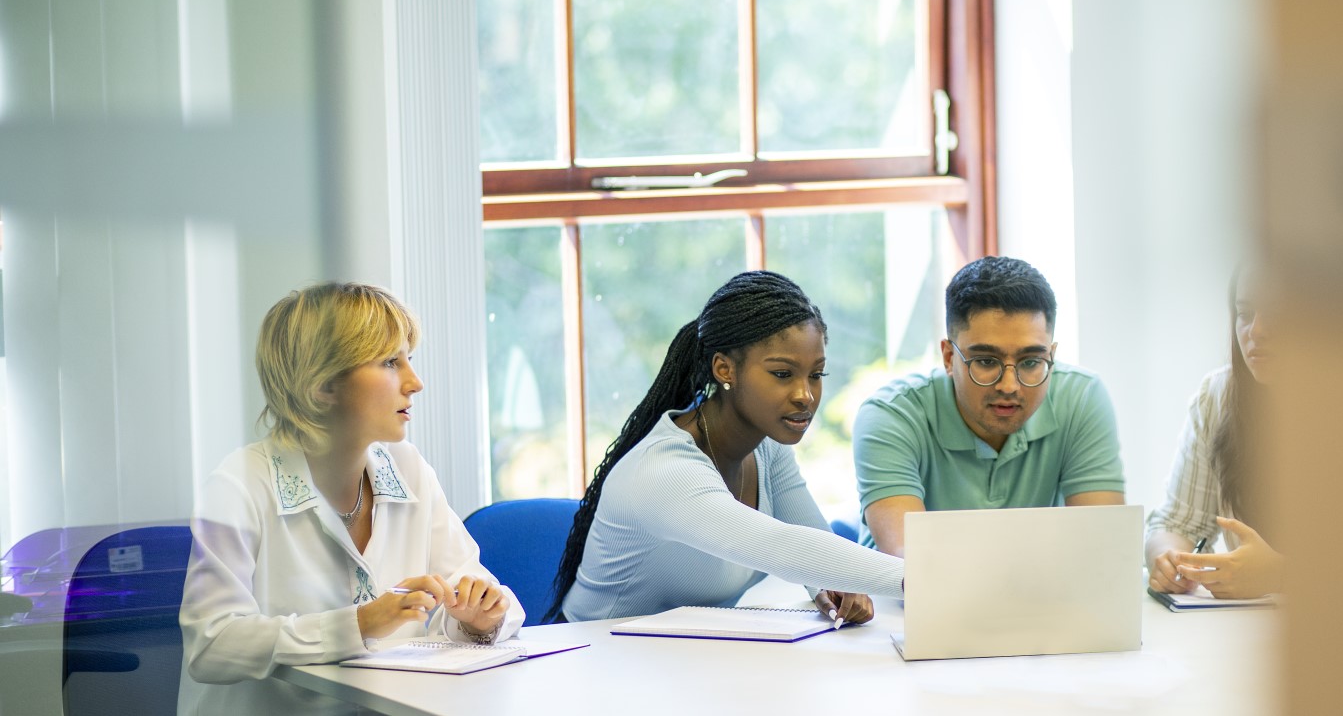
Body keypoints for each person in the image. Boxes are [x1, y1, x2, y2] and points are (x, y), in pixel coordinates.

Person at [180, 283, 525, 715]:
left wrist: (480, 616)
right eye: (389, 362)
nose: (415, 383)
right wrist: (359, 624)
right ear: (324, 386)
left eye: (409, 360)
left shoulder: (408, 467)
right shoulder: (239, 483)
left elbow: (479, 594)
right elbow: (211, 645)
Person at [552, 271, 905, 624]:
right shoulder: (666, 471)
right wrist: (923, 580)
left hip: (682, 659)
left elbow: (814, 542)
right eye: (782, 374)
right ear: (724, 369)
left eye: (816, 374)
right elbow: (780, 545)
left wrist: (831, 585)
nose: (806, 395)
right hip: (596, 659)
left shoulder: (767, 450)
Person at [853, 256, 1126, 557]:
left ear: (1052, 354)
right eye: (985, 361)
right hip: (901, 603)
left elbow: (1102, 552)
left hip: (1038, 599)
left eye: (1031, 362)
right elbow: (914, 567)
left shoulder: (1081, 397)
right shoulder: (891, 416)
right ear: (948, 357)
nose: (1009, 385)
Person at [1145, 267, 1285, 599]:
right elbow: (1177, 525)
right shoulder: (1219, 395)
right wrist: (1169, 560)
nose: (1257, 330)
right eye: (1245, 313)